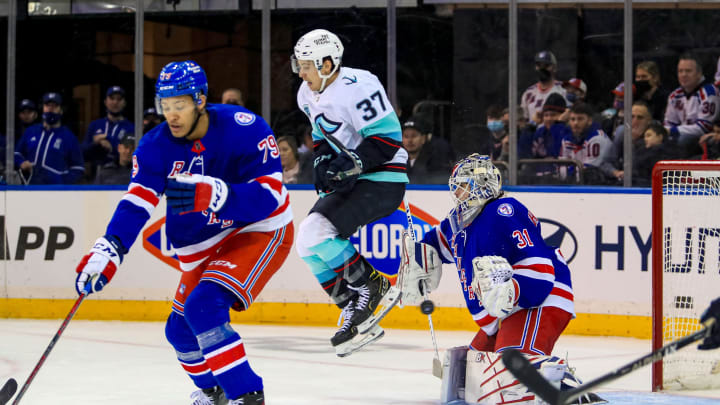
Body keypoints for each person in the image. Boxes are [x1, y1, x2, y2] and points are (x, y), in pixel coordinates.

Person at [74, 60, 293, 405]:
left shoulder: (244, 127)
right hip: (200, 245)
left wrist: (218, 194)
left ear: (200, 99)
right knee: (179, 332)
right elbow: (137, 202)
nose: (171, 115)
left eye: (180, 105)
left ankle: (247, 396)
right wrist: (110, 248)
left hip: (257, 230)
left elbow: (271, 195)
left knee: (203, 307)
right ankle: (215, 393)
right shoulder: (153, 147)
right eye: (165, 105)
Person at [402, 154, 592, 404]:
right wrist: (418, 258)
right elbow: (434, 244)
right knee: (473, 378)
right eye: (456, 186)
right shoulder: (458, 221)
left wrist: (514, 288)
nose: (457, 192)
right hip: (505, 309)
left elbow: (540, 268)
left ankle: (568, 390)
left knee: (510, 372)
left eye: (462, 185)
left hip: (538, 299)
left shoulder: (503, 211)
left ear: (481, 184)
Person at [291, 28, 408, 356]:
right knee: (306, 241)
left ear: (327, 64)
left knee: (317, 233)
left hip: (384, 178)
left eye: (306, 65)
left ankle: (372, 285)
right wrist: (323, 157)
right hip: (360, 178)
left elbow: (388, 139)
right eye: (298, 65)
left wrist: (353, 162)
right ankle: (354, 304)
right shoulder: (306, 92)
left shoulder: (359, 87)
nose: (301, 72)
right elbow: (321, 131)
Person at [14, 92, 84, 185]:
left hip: (55, 192)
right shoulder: (31, 131)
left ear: (61, 110)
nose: (50, 109)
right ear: (43, 108)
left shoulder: (69, 137)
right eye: (47, 105)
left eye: (54, 106)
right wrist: (21, 163)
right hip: (29, 188)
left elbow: (78, 168)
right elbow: (16, 154)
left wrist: (62, 182)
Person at [664, 52, 720, 157]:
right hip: (681, 136)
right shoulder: (675, 95)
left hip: (702, 139)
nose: (683, 75)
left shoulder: (709, 92)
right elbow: (668, 124)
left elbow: (702, 128)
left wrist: (672, 131)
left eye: (688, 71)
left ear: (699, 73)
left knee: (682, 140)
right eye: (680, 71)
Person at [83, 86, 135, 180]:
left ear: (124, 103)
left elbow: (133, 154)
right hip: (95, 174)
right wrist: (96, 143)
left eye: (119, 99)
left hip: (121, 176)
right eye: (112, 98)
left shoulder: (131, 127)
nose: (115, 102)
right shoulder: (95, 125)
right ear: (105, 101)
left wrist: (111, 144)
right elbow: (83, 153)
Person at [560, 103, 618, 185]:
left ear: (589, 121)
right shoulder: (566, 139)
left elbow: (590, 170)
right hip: (576, 183)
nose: (575, 123)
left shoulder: (597, 138)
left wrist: (570, 173)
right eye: (572, 119)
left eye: (580, 119)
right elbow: (561, 168)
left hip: (603, 184)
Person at [521, 50, 567, 127]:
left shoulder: (564, 90)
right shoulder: (528, 93)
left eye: (546, 66)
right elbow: (525, 120)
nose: (542, 69)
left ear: (554, 68)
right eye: (539, 65)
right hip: (535, 136)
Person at [402, 115, 453, 184]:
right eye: (406, 136)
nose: (410, 140)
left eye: (414, 136)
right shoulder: (397, 161)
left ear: (423, 138)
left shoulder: (435, 162)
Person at [612, 100, 654, 181]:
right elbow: (608, 161)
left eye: (640, 118)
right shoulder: (622, 132)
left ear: (649, 120)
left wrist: (634, 142)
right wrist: (615, 172)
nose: (635, 121)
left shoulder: (655, 135)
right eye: (632, 117)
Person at [631, 122, 677, 186]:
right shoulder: (641, 151)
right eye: (644, 136)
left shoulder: (671, 152)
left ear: (660, 137)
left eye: (649, 135)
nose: (645, 139)